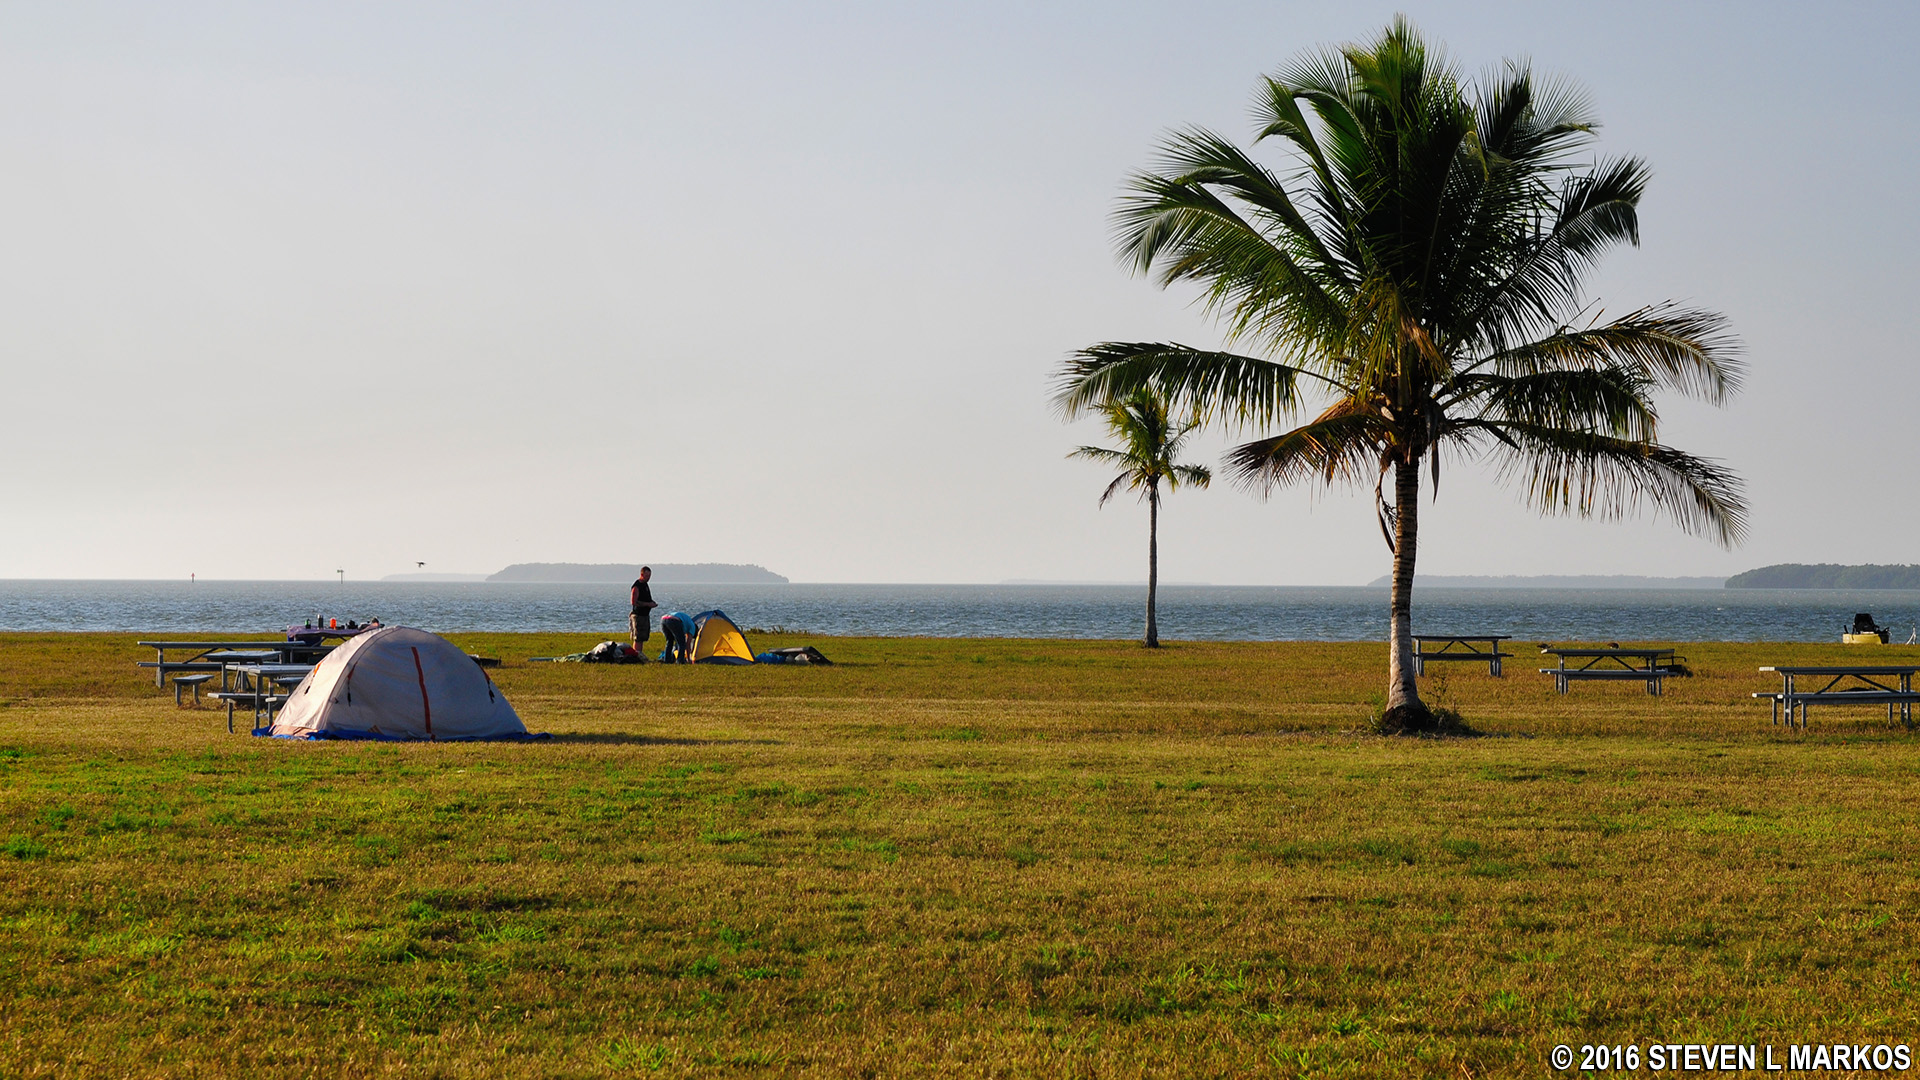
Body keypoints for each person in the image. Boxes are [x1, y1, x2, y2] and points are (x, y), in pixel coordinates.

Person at [629, 566, 657, 658]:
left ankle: (638, 655)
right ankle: (636, 656)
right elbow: (634, 602)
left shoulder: (645, 584)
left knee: (642, 637)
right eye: (647, 576)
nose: (648, 578)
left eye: (649, 576)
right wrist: (648, 604)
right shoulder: (637, 586)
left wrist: (652, 603)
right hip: (638, 615)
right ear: (642, 574)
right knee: (638, 638)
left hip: (645, 615)